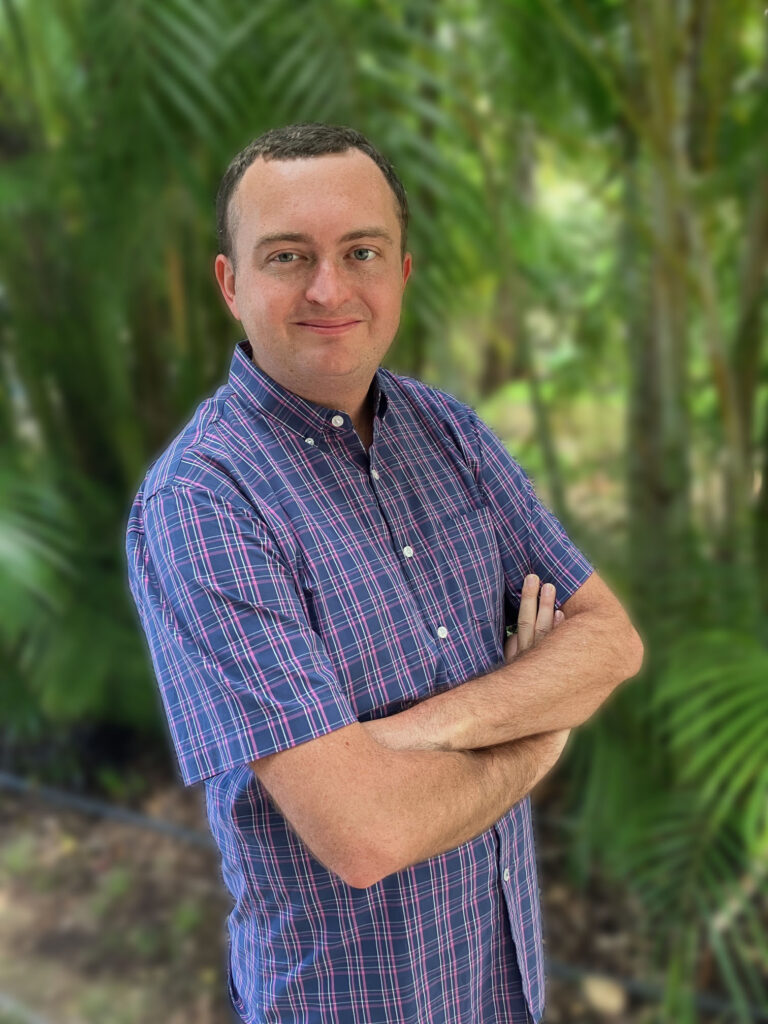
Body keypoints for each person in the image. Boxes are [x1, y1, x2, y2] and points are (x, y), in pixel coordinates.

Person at [124, 122, 644, 1024]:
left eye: (360, 250)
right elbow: (366, 835)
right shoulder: (205, 505)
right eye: (287, 256)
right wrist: (542, 732)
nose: (330, 288)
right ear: (230, 283)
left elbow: (612, 641)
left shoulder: (448, 432)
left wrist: (412, 736)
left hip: (501, 985)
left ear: (400, 271)